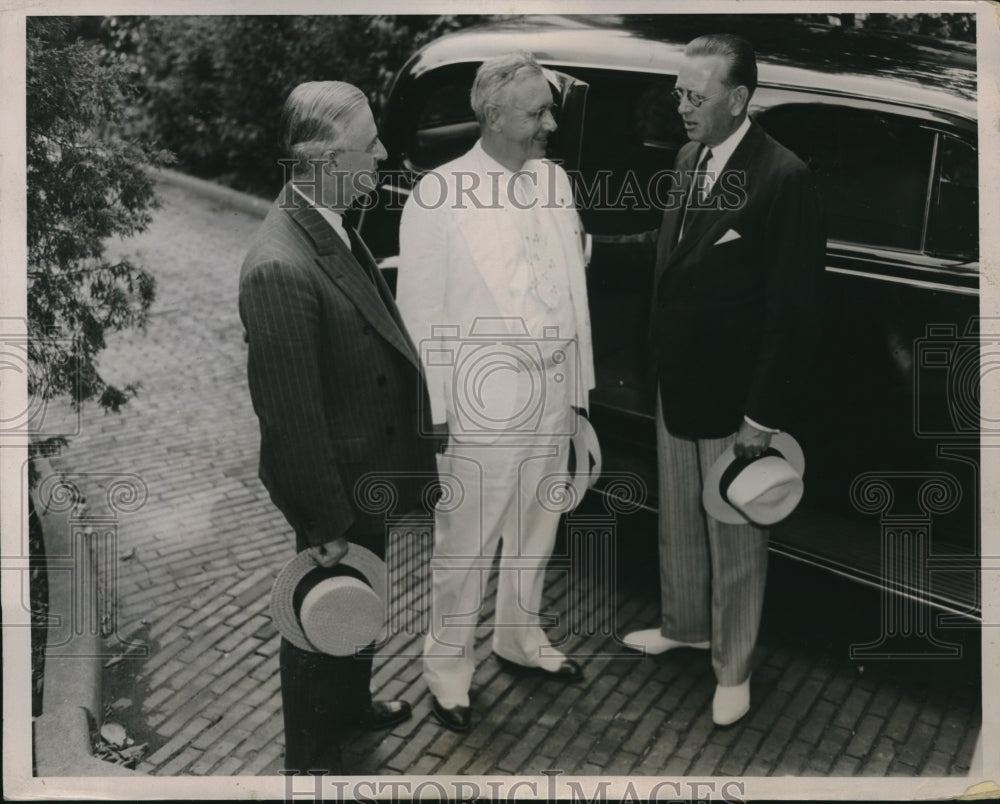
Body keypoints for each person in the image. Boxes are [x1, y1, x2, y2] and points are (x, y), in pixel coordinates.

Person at [595, 34, 824, 726]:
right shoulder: (689, 158)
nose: (681, 107)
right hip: (676, 383)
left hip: (735, 403)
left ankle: (734, 666)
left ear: (739, 99)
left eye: (695, 96)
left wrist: (761, 416)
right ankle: (686, 626)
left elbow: (795, 314)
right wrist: (587, 248)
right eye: (677, 93)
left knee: (733, 530)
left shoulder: (784, 178)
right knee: (682, 523)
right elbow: (669, 253)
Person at [238, 81, 437, 772]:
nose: (383, 154)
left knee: (366, 595)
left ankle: (352, 703)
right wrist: (322, 527)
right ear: (323, 160)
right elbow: (290, 422)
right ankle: (312, 756)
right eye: (369, 144)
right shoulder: (278, 267)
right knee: (319, 616)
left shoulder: (332, 220)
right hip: (334, 488)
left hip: (367, 472)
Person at [395, 51, 595, 732]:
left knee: (538, 528)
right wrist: (440, 414)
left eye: (550, 110)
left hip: (552, 389)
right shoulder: (438, 195)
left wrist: (578, 398)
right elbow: (420, 317)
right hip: (480, 404)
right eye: (538, 111)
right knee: (466, 544)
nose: (550, 124)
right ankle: (447, 670)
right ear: (495, 115)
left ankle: (518, 636)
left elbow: (573, 294)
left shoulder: (556, 185)